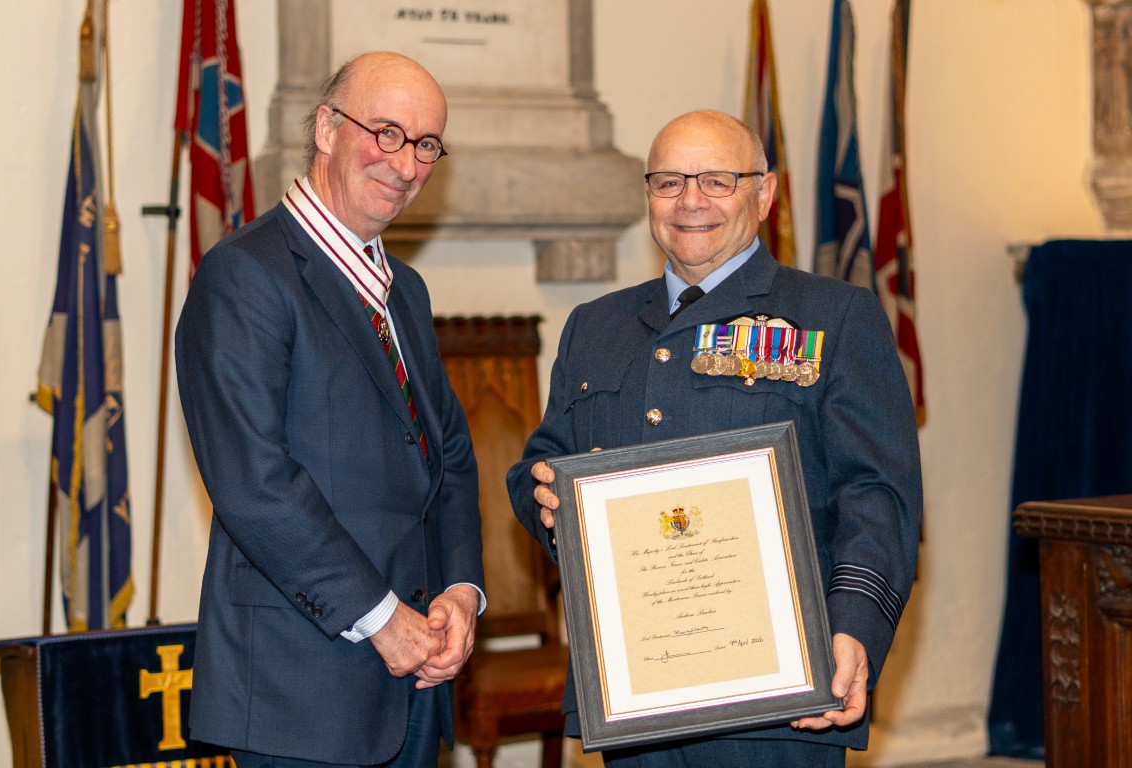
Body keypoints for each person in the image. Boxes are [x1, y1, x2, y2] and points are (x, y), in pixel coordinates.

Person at [506, 110, 922, 767]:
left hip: (780, 701)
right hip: (636, 692)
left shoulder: (834, 316)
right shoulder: (596, 325)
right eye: (668, 181)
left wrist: (854, 628)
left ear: (766, 193)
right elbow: (542, 461)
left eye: (718, 180)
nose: (690, 200)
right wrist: (547, 499)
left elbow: (877, 496)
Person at [176, 52, 485, 768]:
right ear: (324, 127)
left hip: (414, 686)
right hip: (302, 693)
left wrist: (461, 593)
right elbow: (256, 485)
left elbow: (450, 458)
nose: (405, 164)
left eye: (426, 144)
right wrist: (381, 618)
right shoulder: (244, 275)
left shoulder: (403, 289)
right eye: (385, 132)